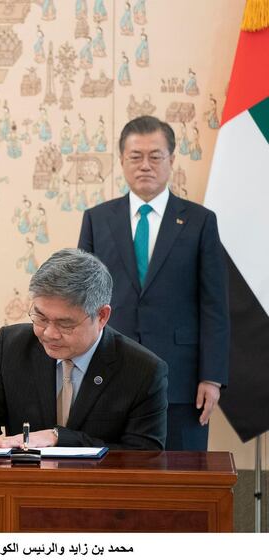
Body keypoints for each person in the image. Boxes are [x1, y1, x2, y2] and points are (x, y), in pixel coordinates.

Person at [78, 116, 229, 451]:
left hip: (182, 382)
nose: (145, 165)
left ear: (171, 160)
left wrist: (212, 377)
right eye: (135, 157)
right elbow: (82, 302)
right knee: (114, 485)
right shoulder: (97, 219)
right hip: (109, 376)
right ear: (121, 161)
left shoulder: (200, 222)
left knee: (183, 482)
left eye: (155, 156)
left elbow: (214, 305)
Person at [0, 249, 168, 450]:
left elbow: (143, 457)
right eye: (41, 317)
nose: (49, 333)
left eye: (65, 324)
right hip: (24, 488)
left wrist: (58, 437)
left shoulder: (143, 371)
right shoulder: (11, 346)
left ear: (101, 316)